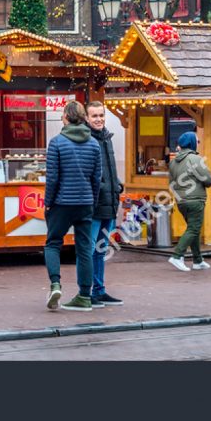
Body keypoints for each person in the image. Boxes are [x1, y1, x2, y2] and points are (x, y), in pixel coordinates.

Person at [44, 101, 102, 312]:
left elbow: (52, 178)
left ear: (66, 118)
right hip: (85, 202)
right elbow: (97, 178)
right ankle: (85, 296)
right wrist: (92, 201)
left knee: (53, 243)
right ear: (84, 118)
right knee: (84, 249)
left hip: (61, 202)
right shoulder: (94, 144)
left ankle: (55, 285)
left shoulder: (57, 142)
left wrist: (48, 203)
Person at [86, 101, 124, 307]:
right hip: (94, 205)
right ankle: (87, 291)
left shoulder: (107, 138)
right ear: (86, 118)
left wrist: (117, 185)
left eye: (101, 115)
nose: (99, 119)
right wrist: (103, 187)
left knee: (100, 250)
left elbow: (108, 171)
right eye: (94, 116)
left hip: (109, 202)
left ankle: (99, 290)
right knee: (90, 250)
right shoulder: (87, 140)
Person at [167, 131, 211, 272]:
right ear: (192, 143)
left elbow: (171, 183)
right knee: (193, 229)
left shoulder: (173, 162)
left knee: (193, 229)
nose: (197, 144)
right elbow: (208, 180)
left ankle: (198, 260)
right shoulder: (195, 159)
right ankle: (177, 255)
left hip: (181, 201)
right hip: (195, 200)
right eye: (197, 142)